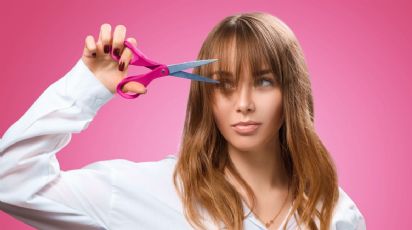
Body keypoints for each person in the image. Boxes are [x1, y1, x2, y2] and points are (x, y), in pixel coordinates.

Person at [0, 12, 366, 230]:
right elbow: (9, 181)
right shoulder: (148, 190)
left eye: (263, 81)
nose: (243, 103)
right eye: (224, 84)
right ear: (206, 97)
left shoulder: (336, 212)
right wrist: (87, 87)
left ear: (292, 93)